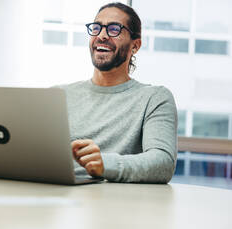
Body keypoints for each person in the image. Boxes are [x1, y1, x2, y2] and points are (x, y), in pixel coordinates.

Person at [58, 2, 178, 183]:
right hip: (58, 200)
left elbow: (163, 163)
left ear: (135, 46)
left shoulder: (154, 98)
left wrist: (104, 164)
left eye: (114, 29)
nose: (102, 36)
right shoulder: (59, 95)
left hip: (115, 206)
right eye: (96, 28)